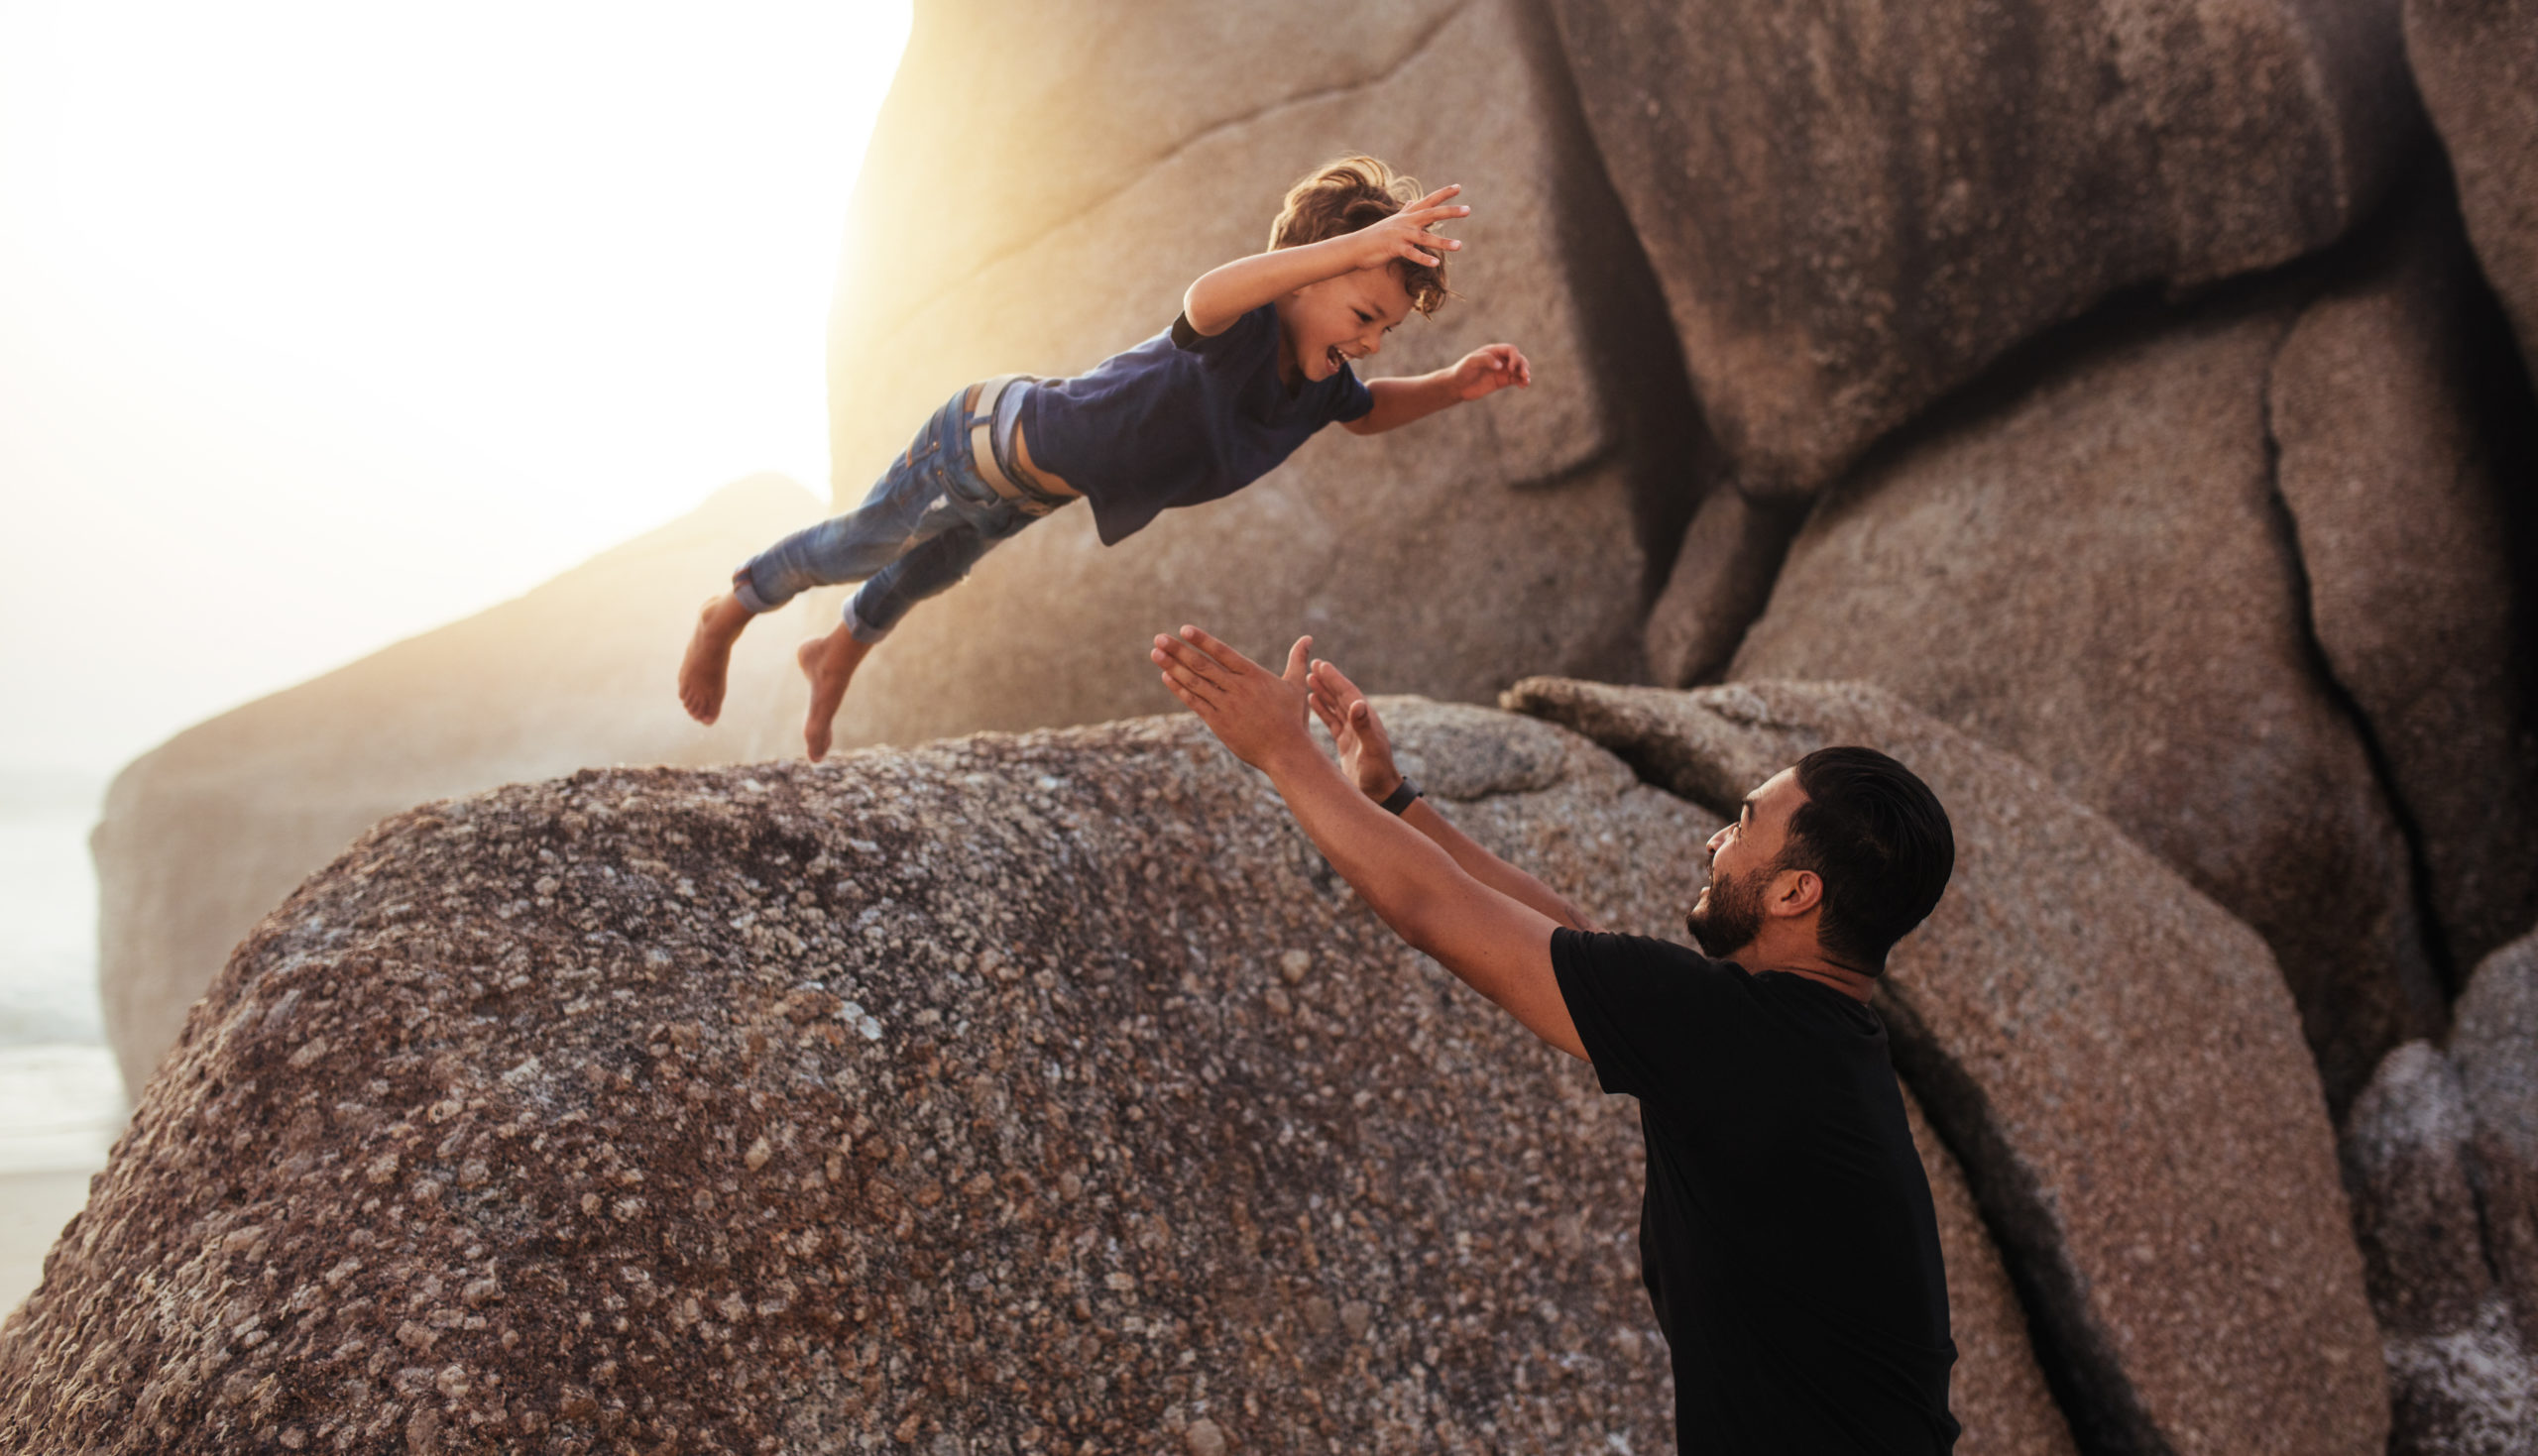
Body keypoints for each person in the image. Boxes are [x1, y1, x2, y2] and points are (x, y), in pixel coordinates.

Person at [1147, 624, 1964, 1454]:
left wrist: (1287, 755)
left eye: (1746, 823)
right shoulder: (1807, 1038)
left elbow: (1434, 911)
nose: (1715, 841)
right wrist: (1392, 799)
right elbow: (1571, 937)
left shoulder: (1743, 1037)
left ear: (1796, 890)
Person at [677, 156, 1534, 759]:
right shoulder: (1241, 329)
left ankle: (835, 653)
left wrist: (1454, 385)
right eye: (1363, 312)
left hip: (1020, 492)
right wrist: (1351, 246)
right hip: (976, 438)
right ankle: (734, 605)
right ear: (1303, 278)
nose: (1374, 342)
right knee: (862, 545)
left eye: (1386, 327)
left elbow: (1368, 412)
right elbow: (1206, 294)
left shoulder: (1314, 385)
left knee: (927, 571)